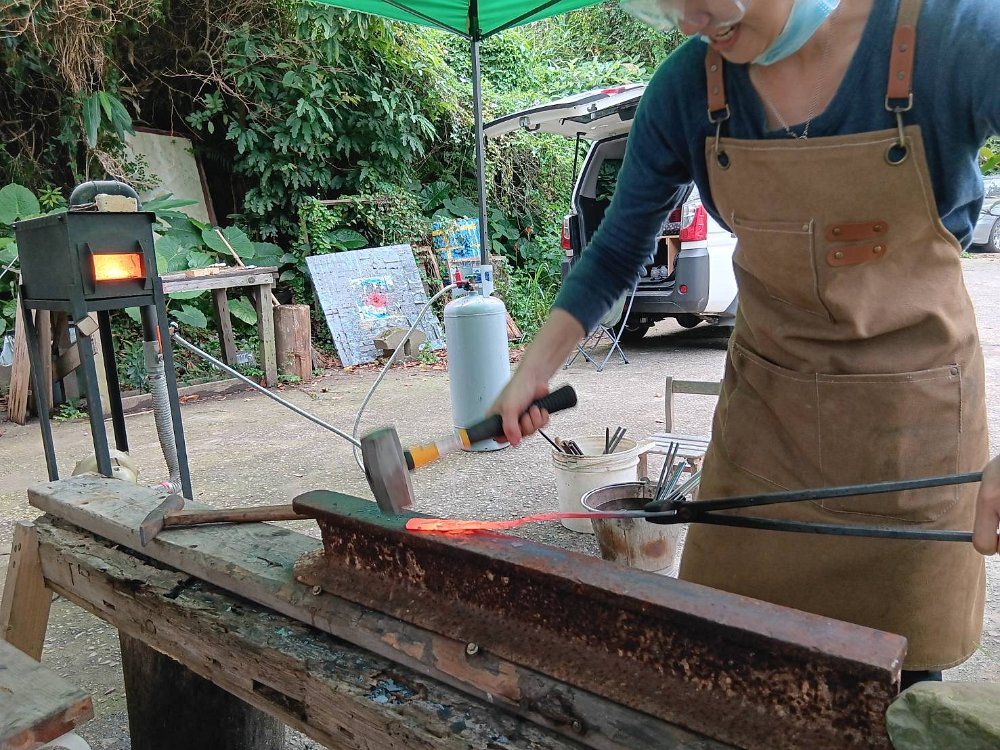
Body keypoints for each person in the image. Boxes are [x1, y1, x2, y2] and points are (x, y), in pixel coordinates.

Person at [491, 0, 1000, 688]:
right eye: (669, 5)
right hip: (766, 430)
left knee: (892, 688)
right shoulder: (687, 87)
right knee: (731, 664)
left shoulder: (955, 34)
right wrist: (534, 367)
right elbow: (615, 252)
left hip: (912, 440)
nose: (692, 21)